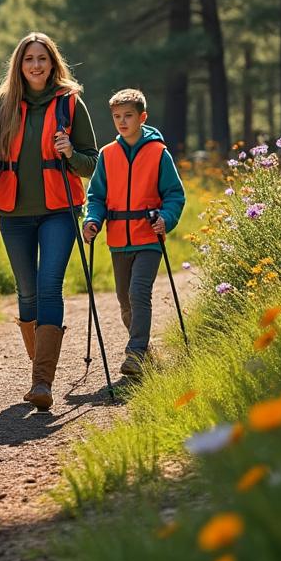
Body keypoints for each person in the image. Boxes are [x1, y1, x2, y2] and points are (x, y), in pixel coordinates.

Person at [0, 32, 98, 411]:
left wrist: (71, 154)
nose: (36, 65)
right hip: (14, 213)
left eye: (42, 59)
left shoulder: (70, 104)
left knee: (49, 286)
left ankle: (42, 382)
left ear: (53, 63)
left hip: (60, 210)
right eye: (29, 59)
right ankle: (41, 370)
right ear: (19, 65)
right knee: (27, 292)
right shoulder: (4, 105)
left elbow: (92, 163)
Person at [82, 88, 185, 378]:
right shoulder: (107, 155)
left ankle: (136, 353)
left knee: (139, 293)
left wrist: (166, 218)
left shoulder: (158, 153)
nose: (122, 122)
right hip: (118, 239)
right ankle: (144, 351)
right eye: (117, 117)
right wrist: (92, 220)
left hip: (149, 237)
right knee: (125, 300)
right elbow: (96, 197)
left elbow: (175, 195)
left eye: (128, 116)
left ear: (142, 117)